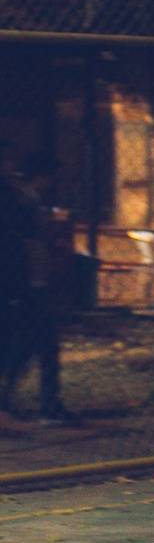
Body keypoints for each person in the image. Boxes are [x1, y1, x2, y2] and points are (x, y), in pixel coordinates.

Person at [0, 159, 69, 426]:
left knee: (29, 345)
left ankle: (21, 400)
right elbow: (29, 237)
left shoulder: (24, 199)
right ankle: (46, 405)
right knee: (38, 344)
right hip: (26, 283)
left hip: (27, 282)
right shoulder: (21, 201)